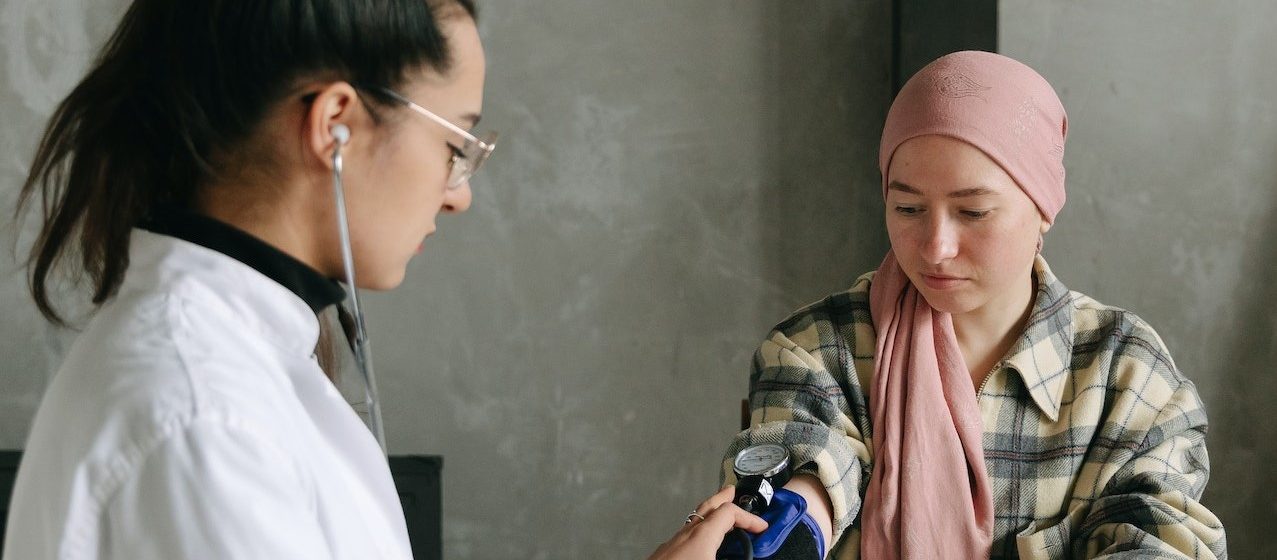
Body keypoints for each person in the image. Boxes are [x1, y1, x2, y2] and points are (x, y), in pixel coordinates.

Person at [4, 0, 490, 558]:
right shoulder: (206, 421)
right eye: (455, 146)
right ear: (335, 125)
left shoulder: (229, 373)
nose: (459, 195)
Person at [699, 51, 1228, 559]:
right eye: (908, 208)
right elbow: (809, 461)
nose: (935, 248)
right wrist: (788, 527)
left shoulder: (1126, 374)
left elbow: (1159, 535)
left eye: (973, 212)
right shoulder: (814, 350)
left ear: (1043, 207)